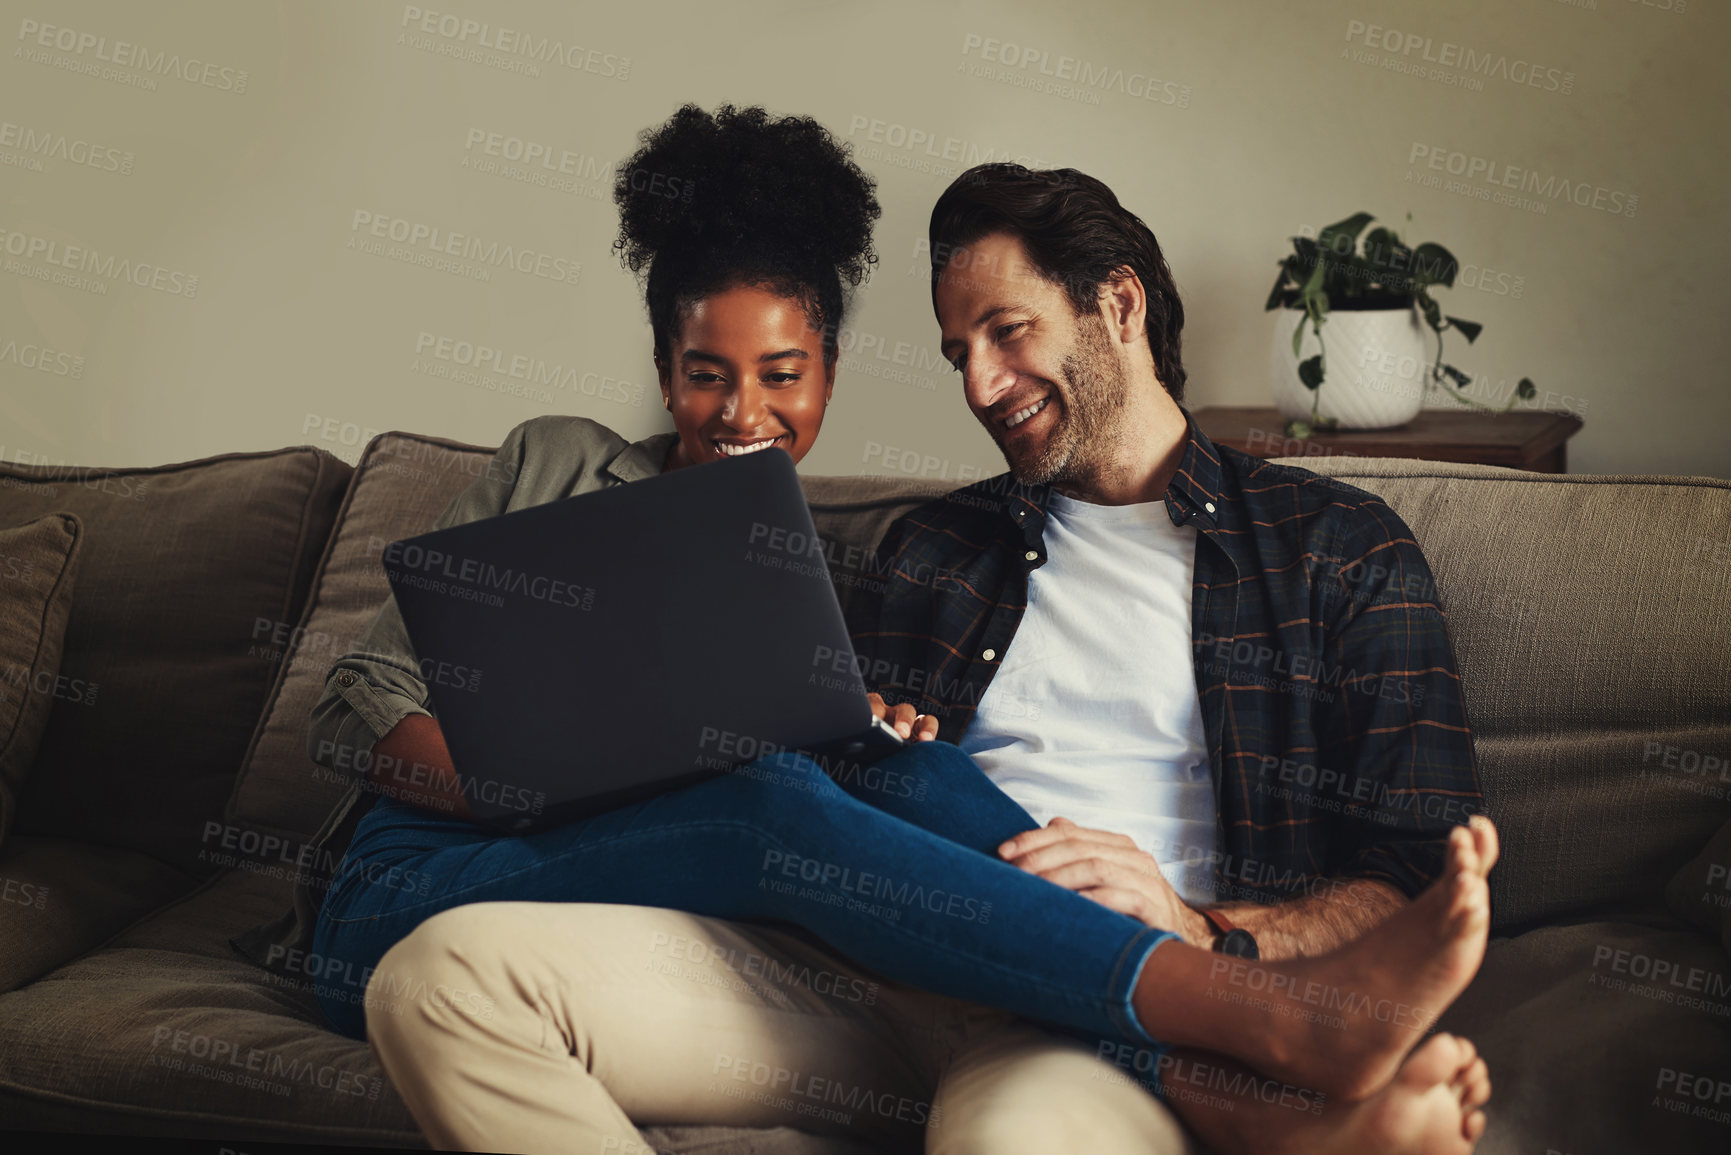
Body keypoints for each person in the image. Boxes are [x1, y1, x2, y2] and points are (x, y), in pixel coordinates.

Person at [342, 162, 1500, 1155]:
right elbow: (834, 787)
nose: (981, 388)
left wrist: (1208, 925)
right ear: (666, 372)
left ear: (1120, 308)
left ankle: (1250, 1039)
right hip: (861, 963)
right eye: (959, 352)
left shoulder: (1338, 553)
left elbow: (1414, 872)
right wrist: (866, 725)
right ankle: (1264, 1050)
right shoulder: (933, 550)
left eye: (1009, 333)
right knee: (460, 965)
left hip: (1066, 1000)